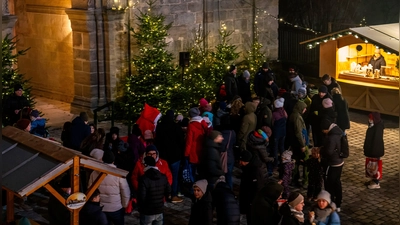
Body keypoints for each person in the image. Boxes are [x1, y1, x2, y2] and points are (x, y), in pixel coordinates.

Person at [88, 150, 130, 225]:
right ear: (113, 160)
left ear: (103, 159)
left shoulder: (94, 173)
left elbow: (90, 190)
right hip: (116, 208)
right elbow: (125, 192)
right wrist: (124, 205)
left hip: (101, 207)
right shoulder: (119, 174)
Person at [155, 109, 185, 202]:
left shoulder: (159, 127)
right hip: (175, 156)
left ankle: (163, 194)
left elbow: (157, 141)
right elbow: (181, 142)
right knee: (174, 176)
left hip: (163, 155)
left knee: (163, 176)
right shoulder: (176, 127)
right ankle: (173, 194)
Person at [138, 156, 171, 225]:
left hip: (147, 212)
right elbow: (168, 191)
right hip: (159, 210)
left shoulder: (143, 179)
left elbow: (142, 197)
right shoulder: (163, 177)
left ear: (145, 165)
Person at [320, 119, 344, 212]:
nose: (323, 132)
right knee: (337, 182)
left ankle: (331, 202)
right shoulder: (338, 131)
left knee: (329, 184)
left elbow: (328, 152)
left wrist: (321, 150)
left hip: (332, 163)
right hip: (340, 162)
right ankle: (338, 203)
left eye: (323, 130)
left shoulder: (331, 137)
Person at [238, 150, 266, 224]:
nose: (240, 162)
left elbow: (258, 187)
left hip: (252, 201)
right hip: (249, 200)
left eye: (242, 160)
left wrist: (252, 201)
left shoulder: (255, 171)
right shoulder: (248, 169)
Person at [185, 107, 209, 181]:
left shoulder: (191, 125)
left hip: (193, 151)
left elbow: (189, 141)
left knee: (192, 172)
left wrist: (186, 154)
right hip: (202, 150)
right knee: (201, 171)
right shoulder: (204, 123)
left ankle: (193, 188)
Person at [287, 101, 307, 187]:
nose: (305, 110)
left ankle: (295, 179)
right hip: (297, 143)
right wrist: (302, 145)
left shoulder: (294, 115)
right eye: (304, 108)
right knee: (297, 162)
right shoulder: (297, 117)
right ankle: (296, 179)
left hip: (294, 142)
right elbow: (298, 132)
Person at [363, 112, 384, 189]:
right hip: (372, 150)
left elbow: (376, 141)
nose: (369, 120)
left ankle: (376, 182)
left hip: (375, 151)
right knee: (372, 166)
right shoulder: (373, 126)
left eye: (371, 119)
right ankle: (373, 180)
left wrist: (372, 152)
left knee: (375, 167)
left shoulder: (377, 128)